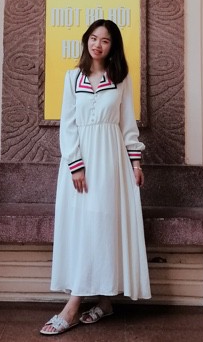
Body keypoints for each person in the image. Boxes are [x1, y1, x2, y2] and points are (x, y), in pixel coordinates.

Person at [40, 19, 151, 336]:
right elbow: (68, 125)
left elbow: (127, 125)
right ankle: (93, 302)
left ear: (112, 46)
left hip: (111, 161)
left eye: (104, 40)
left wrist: (136, 163)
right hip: (80, 163)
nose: (97, 44)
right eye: (93, 38)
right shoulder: (72, 77)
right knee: (83, 228)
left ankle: (83, 305)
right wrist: (75, 164)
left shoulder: (121, 79)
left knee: (103, 227)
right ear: (86, 41)